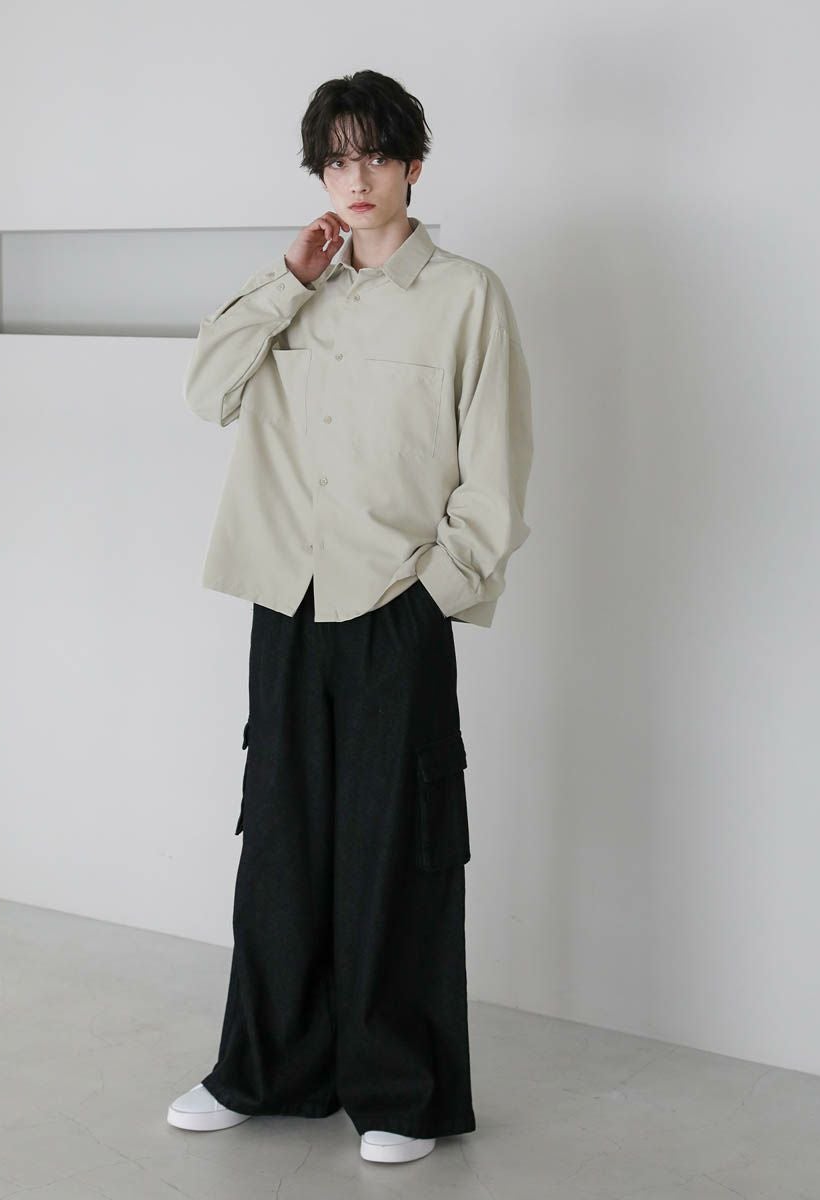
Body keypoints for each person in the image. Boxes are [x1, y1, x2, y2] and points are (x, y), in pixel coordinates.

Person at [168, 69, 533, 1165]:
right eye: (335, 160)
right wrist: (286, 280)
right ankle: (267, 1069)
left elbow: (497, 473)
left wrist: (436, 594)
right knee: (280, 842)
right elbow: (206, 392)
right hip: (288, 597)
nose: (355, 177)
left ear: (413, 164)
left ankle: (400, 1093)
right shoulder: (296, 288)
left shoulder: (467, 296)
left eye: (374, 155)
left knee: (397, 851)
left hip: (394, 604)